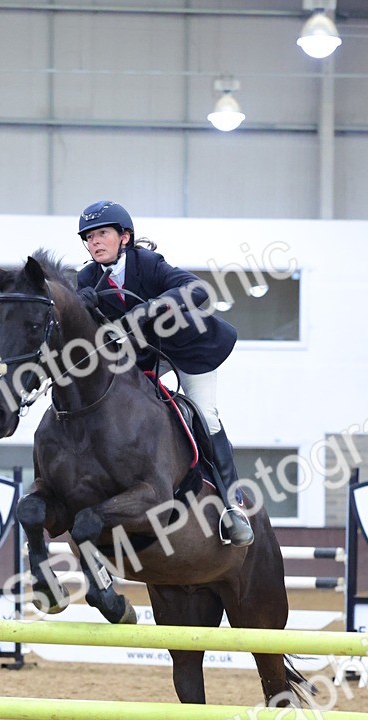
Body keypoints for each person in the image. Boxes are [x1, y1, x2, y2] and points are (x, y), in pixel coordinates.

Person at [76, 200, 253, 547]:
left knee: (206, 416)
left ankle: (233, 505)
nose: (94, 242)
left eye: (102, 234)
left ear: (124, 237)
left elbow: (197, 290)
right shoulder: (87, 278)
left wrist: (152, 308)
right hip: (142, 359)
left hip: (187, 352)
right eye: (89, 238)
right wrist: (79, 301)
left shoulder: (149, 263)